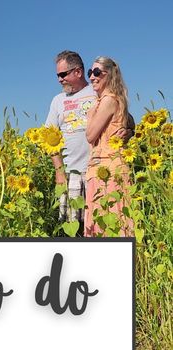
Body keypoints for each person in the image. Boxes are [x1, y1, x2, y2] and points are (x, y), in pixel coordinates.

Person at [45, 51, 97, 228]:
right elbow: (47, 138)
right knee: (72, 225)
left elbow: (123, 117)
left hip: (97, 170)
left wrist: (127, 130)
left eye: (63, 74)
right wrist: (59, 171)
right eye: (57, 75)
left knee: (98, 222)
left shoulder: (97, 91)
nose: (59, 79)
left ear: (78, 72)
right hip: (71, 173)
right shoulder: (57, 101)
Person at [84, 57, 134, 236]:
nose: (92, 77)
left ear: (110, 75)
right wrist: (129, 130)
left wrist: (91, 115)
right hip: (102, 168)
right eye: (90, 73)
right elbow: (130, 120)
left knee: (108, 223)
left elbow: (90, 135)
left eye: (97, 72)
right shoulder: (111, 100)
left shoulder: (108, 101)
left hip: (108, 171)